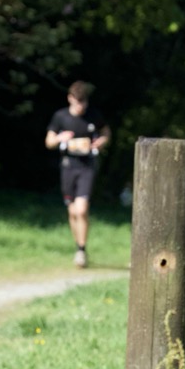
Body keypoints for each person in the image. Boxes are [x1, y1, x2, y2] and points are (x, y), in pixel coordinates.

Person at [44, 80, 110, 268]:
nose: (81, 106)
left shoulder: (93, 115)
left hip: (87, 166)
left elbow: (106, 132)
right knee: (72, 212)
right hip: (68, 166)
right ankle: (79, 248)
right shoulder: (61, 117)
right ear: (70, 98)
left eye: (84, 102)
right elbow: (48, 142)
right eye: (78, 101)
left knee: (81, 209)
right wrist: (60, 138)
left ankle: (81, 249)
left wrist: (101, 142)